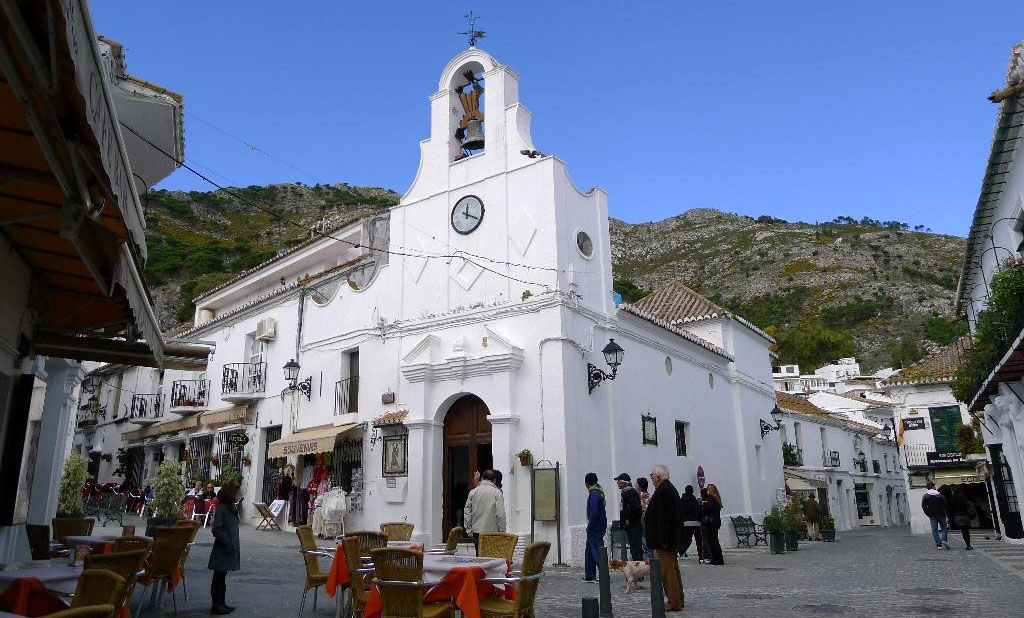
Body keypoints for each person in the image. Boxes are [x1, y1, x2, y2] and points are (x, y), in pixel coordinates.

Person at [645, 465, 683, 612]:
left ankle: (673, 601)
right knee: (672, 569)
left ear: (658, 477)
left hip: (665, 540)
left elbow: (665, 518)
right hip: (666, 538)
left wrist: (664, 539)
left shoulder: (664, 491)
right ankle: (678, 599)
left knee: (668, 572)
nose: (651, 478)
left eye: (652, 476)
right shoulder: (666, 489)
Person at [208, 484, 241, 615]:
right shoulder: (222, 509)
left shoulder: (230, 508)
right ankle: (216, 604)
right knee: (219, 577)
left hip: (228, 547)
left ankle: (221, 603)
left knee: (222, 576)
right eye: (237, 493)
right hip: (223, 548)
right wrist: (227, 542)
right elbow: (217, 528)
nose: (239, 496)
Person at [464, 469, 507, 553]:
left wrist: (468, 529)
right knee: (492, 555)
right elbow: (500, 514)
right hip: (493, 531)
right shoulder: (497, 493)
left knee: (479, 554)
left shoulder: (473, 492)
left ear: (482, 478)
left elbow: (467, 511)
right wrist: (502, 531)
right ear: (494, 480)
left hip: (476, 530)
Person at [583, 472, 606, 583]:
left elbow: (594, 511)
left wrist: (590, 524)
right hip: (597, 526)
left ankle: (604, 575)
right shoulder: (597, 492)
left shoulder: (594, 494)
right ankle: (590, 575)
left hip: (595, 527)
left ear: (587, 482)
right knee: (589, 552)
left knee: (597, 551)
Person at [614, 473, 644, 561]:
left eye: (618, 481)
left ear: (623, 482)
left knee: (636, 548)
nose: (617, 483)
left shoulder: (630, 492)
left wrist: (628, 520)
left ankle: (638, 570)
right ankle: (637, 568)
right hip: (631, 526)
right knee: (634, 548)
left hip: (633, 526)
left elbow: (636, 508)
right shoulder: (626, 492)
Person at [678, 485, 704, 561]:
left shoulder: (682, 500)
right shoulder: (694, 500)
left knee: (686, 540)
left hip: (685, 523)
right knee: (699, 541)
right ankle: (701, 557)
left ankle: (680, 551)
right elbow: (698, 511)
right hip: (696, 523)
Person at [922, 482, 950, 550]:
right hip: (941, 514)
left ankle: (939, 545)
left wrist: (928, 513)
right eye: (934, 486)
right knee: (944, 528)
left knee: (934, 530)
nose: (935, 487)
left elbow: (923, 506)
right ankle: (944, 540)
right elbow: (945, 503)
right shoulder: (939, 495)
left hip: (932, 515)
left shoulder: (925, 496)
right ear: (933, 486)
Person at [702, 484, 725, 565]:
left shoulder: (711, 498)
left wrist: (703, 504)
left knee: (713, 541)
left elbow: (709, 509)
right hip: (716, 522)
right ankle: (718, 558)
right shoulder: (717, 498)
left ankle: (717, 559)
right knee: (714, 541)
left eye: (708, 489)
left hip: (711, 523)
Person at [947, 485, 976, 550]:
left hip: (958, 517)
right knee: (967, 531)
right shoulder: (964, 498)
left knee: (963, 531)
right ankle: (968, 545)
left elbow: (950, 510)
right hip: (966, 516)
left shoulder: (952, 499)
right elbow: (968, 507)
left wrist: (951, 518)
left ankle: (967, 545)